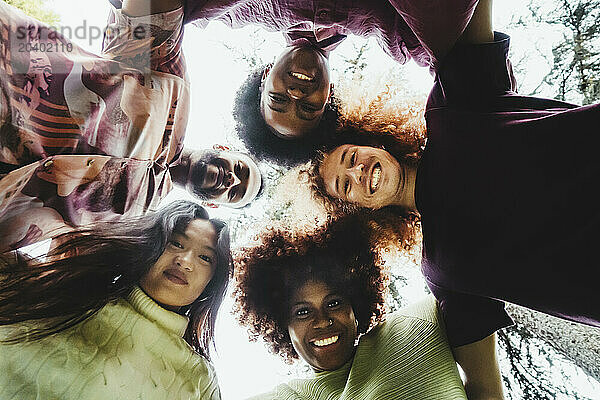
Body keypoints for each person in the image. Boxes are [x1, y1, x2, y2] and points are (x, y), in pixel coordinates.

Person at [308, 0, 600, 350]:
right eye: (345, 185)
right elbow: (479, 374)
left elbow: (474, 13)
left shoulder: (450, 107)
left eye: (351, 157)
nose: (358, 172)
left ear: (374, 142)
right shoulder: (442, 274)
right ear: (359, 209)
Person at [0, 0, 263, 252]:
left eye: (234, 193)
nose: (232, 180)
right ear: (223, 147)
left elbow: (65, 262)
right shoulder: (173, 86)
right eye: (240, 170)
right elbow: (154, 13)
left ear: (212, 206)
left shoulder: (132, 228)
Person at [234, 213, 505, 399]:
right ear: (283, 326)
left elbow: (470, 269)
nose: (322, 320)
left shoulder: (413, 326)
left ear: (357, 306)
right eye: (302, 311)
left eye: (334, 302)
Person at [0, 200, 229, 399]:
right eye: (176, 243)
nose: (185, 261)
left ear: (212, 283)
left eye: (205, 258)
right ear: (151, 243)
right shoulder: (72, 287)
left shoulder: (199, 379)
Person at [219, 0, 478, 164]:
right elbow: (464, 68)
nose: (296, 94)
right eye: (309, 109)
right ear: (329, 95)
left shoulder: (239, 10)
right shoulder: (398, 37)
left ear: (265, 78)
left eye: (278, 99)